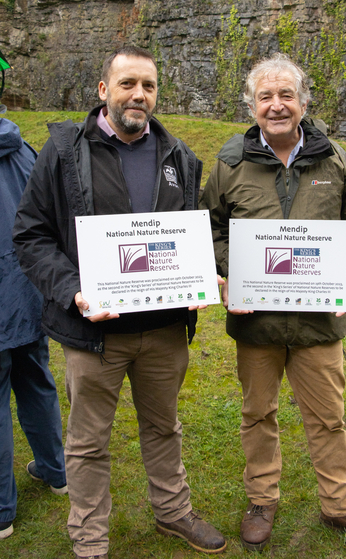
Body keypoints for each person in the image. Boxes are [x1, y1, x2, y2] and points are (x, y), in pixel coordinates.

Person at [13, 46, 226, 558]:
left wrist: (198, 278)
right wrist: (73, 291)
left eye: (148, 86)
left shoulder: (180, 158)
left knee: (163, 427)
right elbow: (31, 236)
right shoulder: (64, 152)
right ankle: (89, 539)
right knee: (87, 443)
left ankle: (173, 513)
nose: (139, 95)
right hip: (94, 332)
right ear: (104, 90)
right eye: (128, 83)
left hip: (164, 330)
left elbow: (184, 238)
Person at [200, 53, 346, 552]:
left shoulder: (334, 159)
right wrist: (231, 271)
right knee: (257, 414)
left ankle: (342, 506)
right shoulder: (230, 164)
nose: (276, 105)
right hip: (257, 324)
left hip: (317, 324)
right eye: (265, 96)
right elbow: (210, 229)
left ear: (304, 102)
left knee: (328, 417)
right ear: (252, 106)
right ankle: (262, 499)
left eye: (286, 94)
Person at [0, 116, 67, 541]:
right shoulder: (23, 148)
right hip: (29, 293)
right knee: (37, 381)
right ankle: (56, 470)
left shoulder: (24, 148)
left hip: (19, 291)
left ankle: (2, 510)